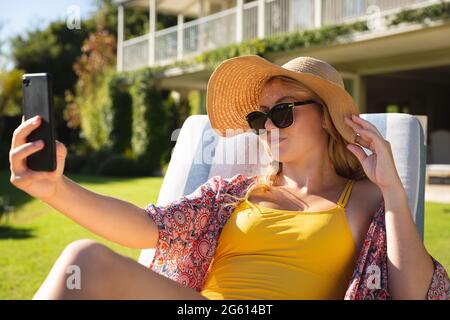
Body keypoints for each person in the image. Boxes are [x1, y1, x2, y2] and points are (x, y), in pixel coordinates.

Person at [9, 55, 449, 300]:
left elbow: (413, 295)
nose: (269, 128)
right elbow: (149, 227)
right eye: (260, 118)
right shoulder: (232, 194)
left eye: (282, 113)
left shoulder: (367, 199)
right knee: (83, 262)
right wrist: (54, 188)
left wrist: (393, 189)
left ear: (329, 119)